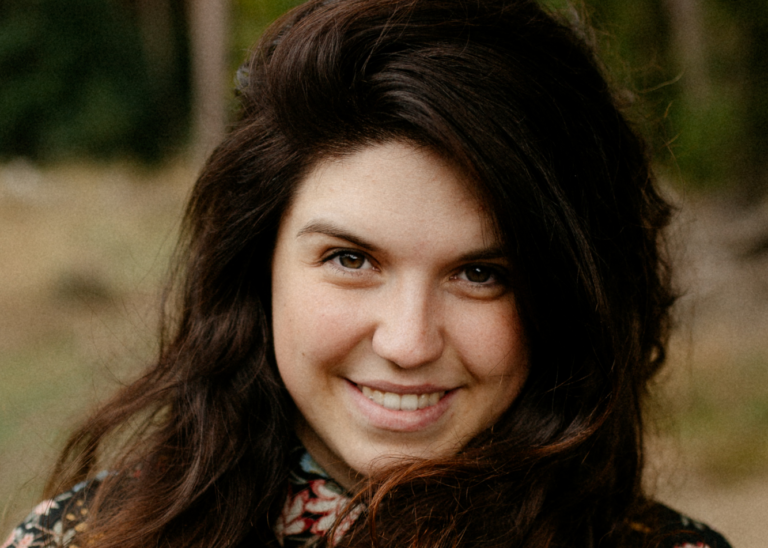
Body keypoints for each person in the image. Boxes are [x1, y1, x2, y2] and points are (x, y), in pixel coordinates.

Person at [2, 1, 733, 547]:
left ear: (570, 298)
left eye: (482, 273)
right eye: (350, 259)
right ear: (257, 267)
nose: (408, 343)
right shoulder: (80, 540)